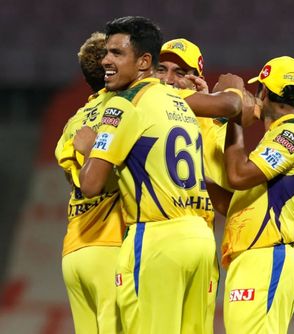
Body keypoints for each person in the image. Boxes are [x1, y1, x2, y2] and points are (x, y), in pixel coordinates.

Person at [74, 16, 216, 333]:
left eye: (116, 53)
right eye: (106, 53)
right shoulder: (181, 103)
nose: (105, 61)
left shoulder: (124, 105)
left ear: (143, 62)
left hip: (155, 237)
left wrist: (89, 149)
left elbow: (91, 184)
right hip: (201, 238)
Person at [155, 37, 258, 334]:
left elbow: (228, 204)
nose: (169, 79)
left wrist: (220, 99)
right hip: (148, 236)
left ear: (196, 80)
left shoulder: (215, 127)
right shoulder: (144, 105)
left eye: (180, 72)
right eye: (162, 69)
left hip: (197, 244)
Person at [216, 56, 294, 334]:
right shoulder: (281, 136)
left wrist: (234, 118)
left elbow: (238, 175)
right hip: (257, 259)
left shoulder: (291, 133)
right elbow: (238, 204)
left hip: (266, 259)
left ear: (265, 94)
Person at [54, 31, 124, 334]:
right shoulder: (126, 108)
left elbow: (72, 179)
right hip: (111, 246)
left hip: (74, 252)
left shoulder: (74, 122)